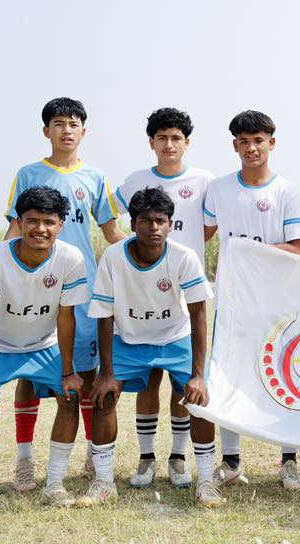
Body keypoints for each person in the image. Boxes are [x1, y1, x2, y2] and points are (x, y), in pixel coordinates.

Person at [4, 97, 126, 491]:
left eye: (74, 124)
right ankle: (24, 460)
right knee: (30, 371)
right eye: (59, 123)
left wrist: (157, 259)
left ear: (84, 132)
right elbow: (11, 233)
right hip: (33, 292)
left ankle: (94, 453)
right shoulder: (27, 174)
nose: (67, 130)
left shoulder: (95, 177)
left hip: (82, 291)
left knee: (85, 374)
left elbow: (111, 234)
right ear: (46, 131)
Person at [78, 188, 223, 508]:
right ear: (133, 224)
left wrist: (199, 375)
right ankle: (103, 483)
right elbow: (104, 315)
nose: (153, 227)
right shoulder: (114, 257)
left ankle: (208, 483)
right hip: (129, 342)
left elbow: (199, 315)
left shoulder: (184, 257)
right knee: (102, 397)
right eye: (145, 220)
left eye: (160, 220)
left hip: (175, 339)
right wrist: (107, 372)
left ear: (170, 224)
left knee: (200, 401)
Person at [0, 187, 89, 518]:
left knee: (69, 397)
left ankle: (54, 484)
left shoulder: (70, 258)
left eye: (48, 222)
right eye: (32, 221)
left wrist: (68, 371)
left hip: (44, 345)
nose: (40, 229)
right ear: (20, 222)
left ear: (61, 224)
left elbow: (66, 317)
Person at [202, 110, 300, 488]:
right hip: (233, 301)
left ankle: (289, 461)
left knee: (283, 374)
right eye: (244, 142)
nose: (252, 148)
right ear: (234, 145)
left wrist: (249, 251)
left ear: (272, 143)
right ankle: (230, 462)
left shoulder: (286, 190)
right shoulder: (217, 189)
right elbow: (201, 232)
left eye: (259, 141)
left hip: (278, 299)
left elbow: (299, 248)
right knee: (228, 374)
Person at [114, 108, 215, 490]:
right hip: (142, 298)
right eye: (162, 138)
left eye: (176, 138)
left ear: (187, 142)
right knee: (147, 381)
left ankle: (177, 456)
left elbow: (211, 224)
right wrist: (126, 260)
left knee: (182, 384)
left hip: (185, 294)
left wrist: (178, 261)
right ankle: (145, 458)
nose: (169, 144)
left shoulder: (203, 179)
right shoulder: (136, 181)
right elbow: (110, 216)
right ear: (151, 143)